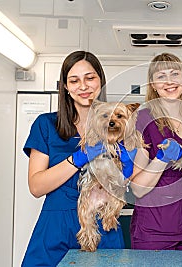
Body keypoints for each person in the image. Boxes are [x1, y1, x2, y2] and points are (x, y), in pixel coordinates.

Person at [21, 51, 130, 266]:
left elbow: (130, 184)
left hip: (102, 225)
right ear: (65, 87)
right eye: (74, 80)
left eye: (90, 78)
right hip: (56, 227)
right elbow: (36, 186)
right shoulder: (46, 125)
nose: (83, 86)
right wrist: (77, 159)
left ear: (101, 81)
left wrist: (127, 170)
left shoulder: (120, 127)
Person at [129, 52, 182, 250]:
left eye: (175, 74)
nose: (169, 81)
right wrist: (162, 158)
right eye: (161, 76)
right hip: (153, 233)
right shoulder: (142, 120)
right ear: (153, 84)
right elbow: (137, 188)